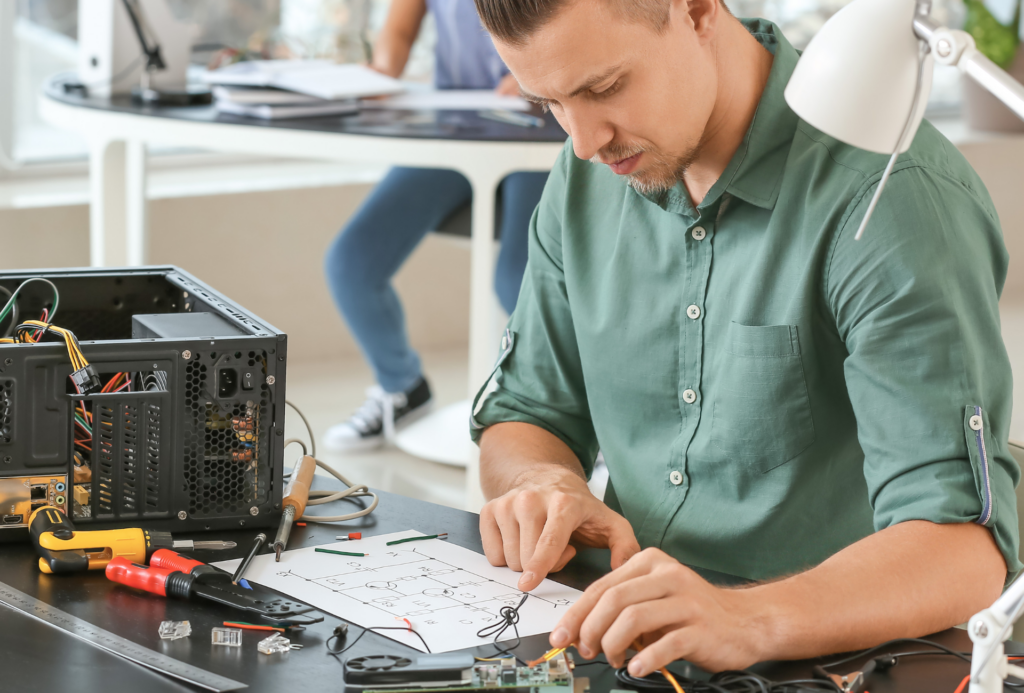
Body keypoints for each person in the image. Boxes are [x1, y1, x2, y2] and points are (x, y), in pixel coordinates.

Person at [469, 0, 1020, 675]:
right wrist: (543, 482)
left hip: (821, 660)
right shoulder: (584, 174)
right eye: (547, 101)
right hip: (619, 642)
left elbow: (962, 551)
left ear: (697, 11)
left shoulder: (889, 196)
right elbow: (523, 412)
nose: (583, 140)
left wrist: (743, 617)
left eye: (604, 88)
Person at [324, 0, 549, 451]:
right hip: (458, 131)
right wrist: (379, 74)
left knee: (518, 282)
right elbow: (399, 33)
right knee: (352, 262)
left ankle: (574, 421)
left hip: (539, 126)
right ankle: (402, 387)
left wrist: (538, 72)